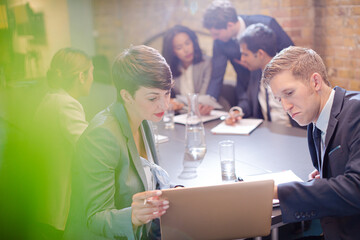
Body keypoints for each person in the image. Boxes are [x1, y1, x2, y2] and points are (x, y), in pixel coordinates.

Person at [64, 45, 171, 239]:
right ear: (126, 96)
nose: (164, 105)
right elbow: (95, 217)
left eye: (167, 93)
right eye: (153, 97)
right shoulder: (103, 136)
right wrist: (133, 216)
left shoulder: (142, 119)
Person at [263, 46, 360, 239]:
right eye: (279, 99)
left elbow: (357, 189)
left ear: (315, 81)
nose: (285, 107)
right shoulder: (315, 121)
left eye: (289, 93)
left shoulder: (356, 111)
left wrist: (277, 191)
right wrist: (326, 178)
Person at [32, 48, 94, 239]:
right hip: (59, 205)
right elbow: (90, 147)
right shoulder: (67, 104)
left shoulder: (52, 98)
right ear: (81, 76)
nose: (93, 78)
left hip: (43, 200)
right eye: (91, 72)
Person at [203, 0, 293, 106]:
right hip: (246, 89)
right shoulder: (219, 41)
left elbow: (291, 56)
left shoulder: (267, 24)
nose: (214, 38)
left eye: (216, 34)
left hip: (276, 86)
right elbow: (217, 74)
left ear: (230, 25)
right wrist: (209, 100)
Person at [225, 23, 299, 128]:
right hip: (267, 132)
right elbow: (249, 101)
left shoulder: (289, 73)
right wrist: (237, 111)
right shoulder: (256, 73)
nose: (242, 59)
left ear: (260, 54)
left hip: (294, 133)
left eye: (245, 54)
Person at [162, 25, 215, 115]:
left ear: (193, 42)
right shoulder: (170, 68)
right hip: (183, 115)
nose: (186, 50)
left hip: (208, 112)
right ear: (173, 52)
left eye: (187, 43)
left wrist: (177, 102)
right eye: (179, 48)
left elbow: (202, 99)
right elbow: (166, 99)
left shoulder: (207, 63)